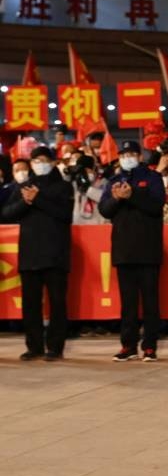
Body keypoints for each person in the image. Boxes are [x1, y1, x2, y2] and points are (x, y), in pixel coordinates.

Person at [2, 147, 73, 361]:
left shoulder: (63, 187)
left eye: (43, 160)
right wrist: (26, 201)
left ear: (52, 162)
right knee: (30, 303)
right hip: (30, 253)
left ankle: (55, 347)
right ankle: (34, 346)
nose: (38, 163)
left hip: (55, 253)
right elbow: (5, 214)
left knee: (57, 302)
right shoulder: (23, 187)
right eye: (35, 160)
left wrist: (38, 199)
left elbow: (65, 215)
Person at [99, 140, 166, 362]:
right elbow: (104, 210)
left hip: (148, 250)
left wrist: (133, 195)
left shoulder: (152, 178)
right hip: (123, 251)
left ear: (139, 156)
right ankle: (127, 345)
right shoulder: (114, 181)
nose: (126, 157)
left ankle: (150, 346)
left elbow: (156, 206)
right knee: (127, 303)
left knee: (150, 302)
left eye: (130, 154)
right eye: (123, 154)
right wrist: (117, 198)